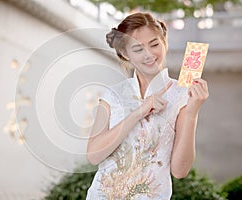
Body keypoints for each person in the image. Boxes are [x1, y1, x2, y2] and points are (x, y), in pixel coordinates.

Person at [86, 12, 209, 200]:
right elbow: (93, 156)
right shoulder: (113, 94)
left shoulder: (182, 94)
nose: (149, 54)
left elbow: (179, 171)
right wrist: (139, 112)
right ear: (125, 54)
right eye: (138, 49)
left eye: (154, 44)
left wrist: (192, 113)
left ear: (164, 44)